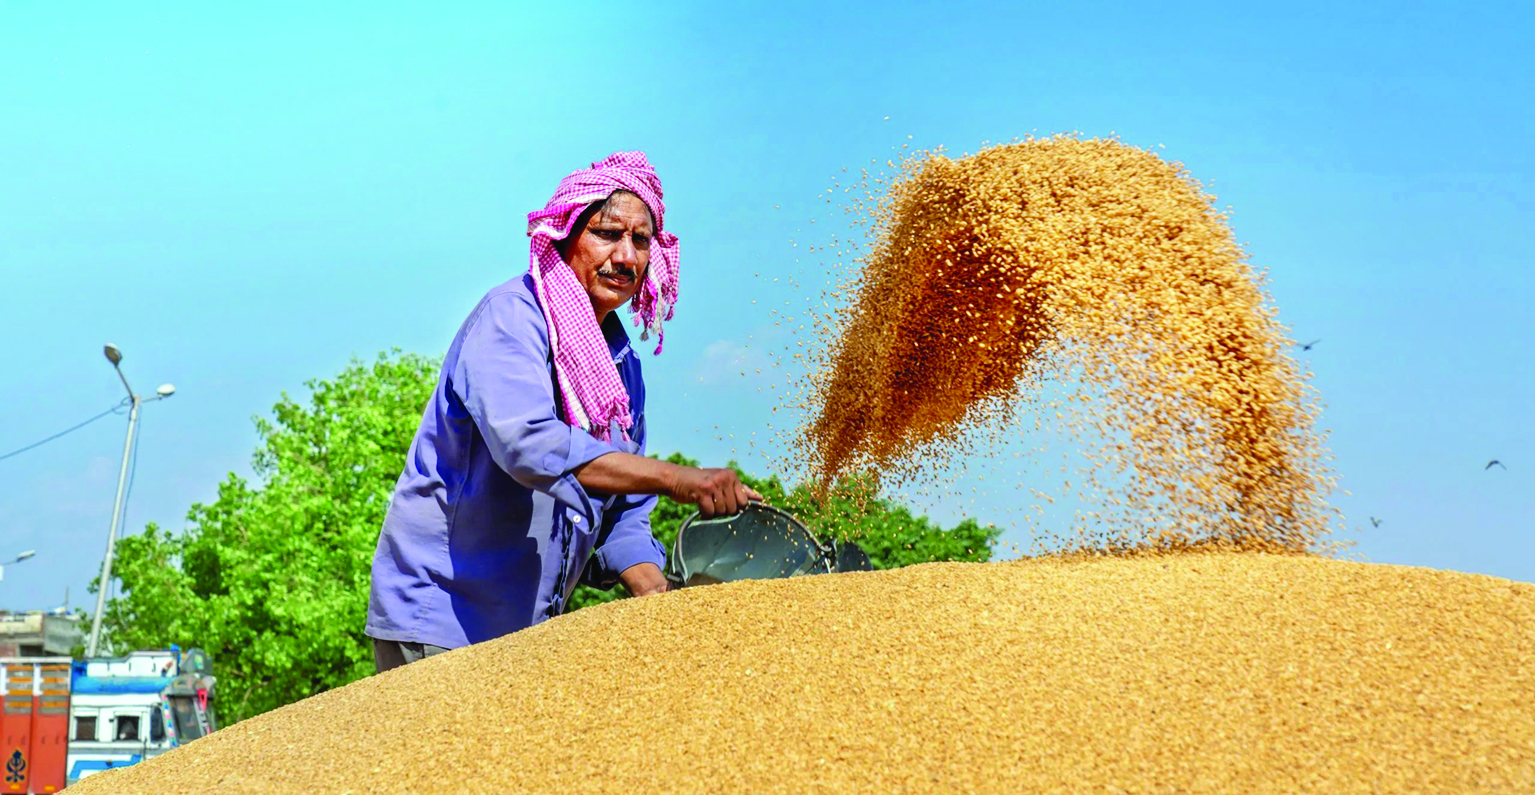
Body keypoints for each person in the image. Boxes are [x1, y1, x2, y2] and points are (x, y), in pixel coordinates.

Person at [365, 152, 758, 673]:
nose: (625, 256)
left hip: (529, 638)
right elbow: (530, 445)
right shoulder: (511, 319)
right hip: (445, 619)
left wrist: (660, 596)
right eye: (607, 233)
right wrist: (679, 479)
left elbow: (622, 513)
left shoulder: (621, 368)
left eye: (640, 241)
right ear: (564, 234)